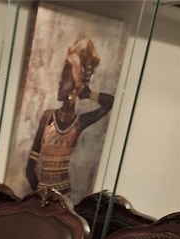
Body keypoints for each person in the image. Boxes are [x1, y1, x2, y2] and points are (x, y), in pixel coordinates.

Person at [26, 38, 114, 197]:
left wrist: (88, 94)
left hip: (64, 196)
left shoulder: (79, 123)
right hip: (41, 195)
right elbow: (29, 169)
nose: (59, 83)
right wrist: (39, 196)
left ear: (76, 83)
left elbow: (109, 103)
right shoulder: (48, 117)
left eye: (65, 78)